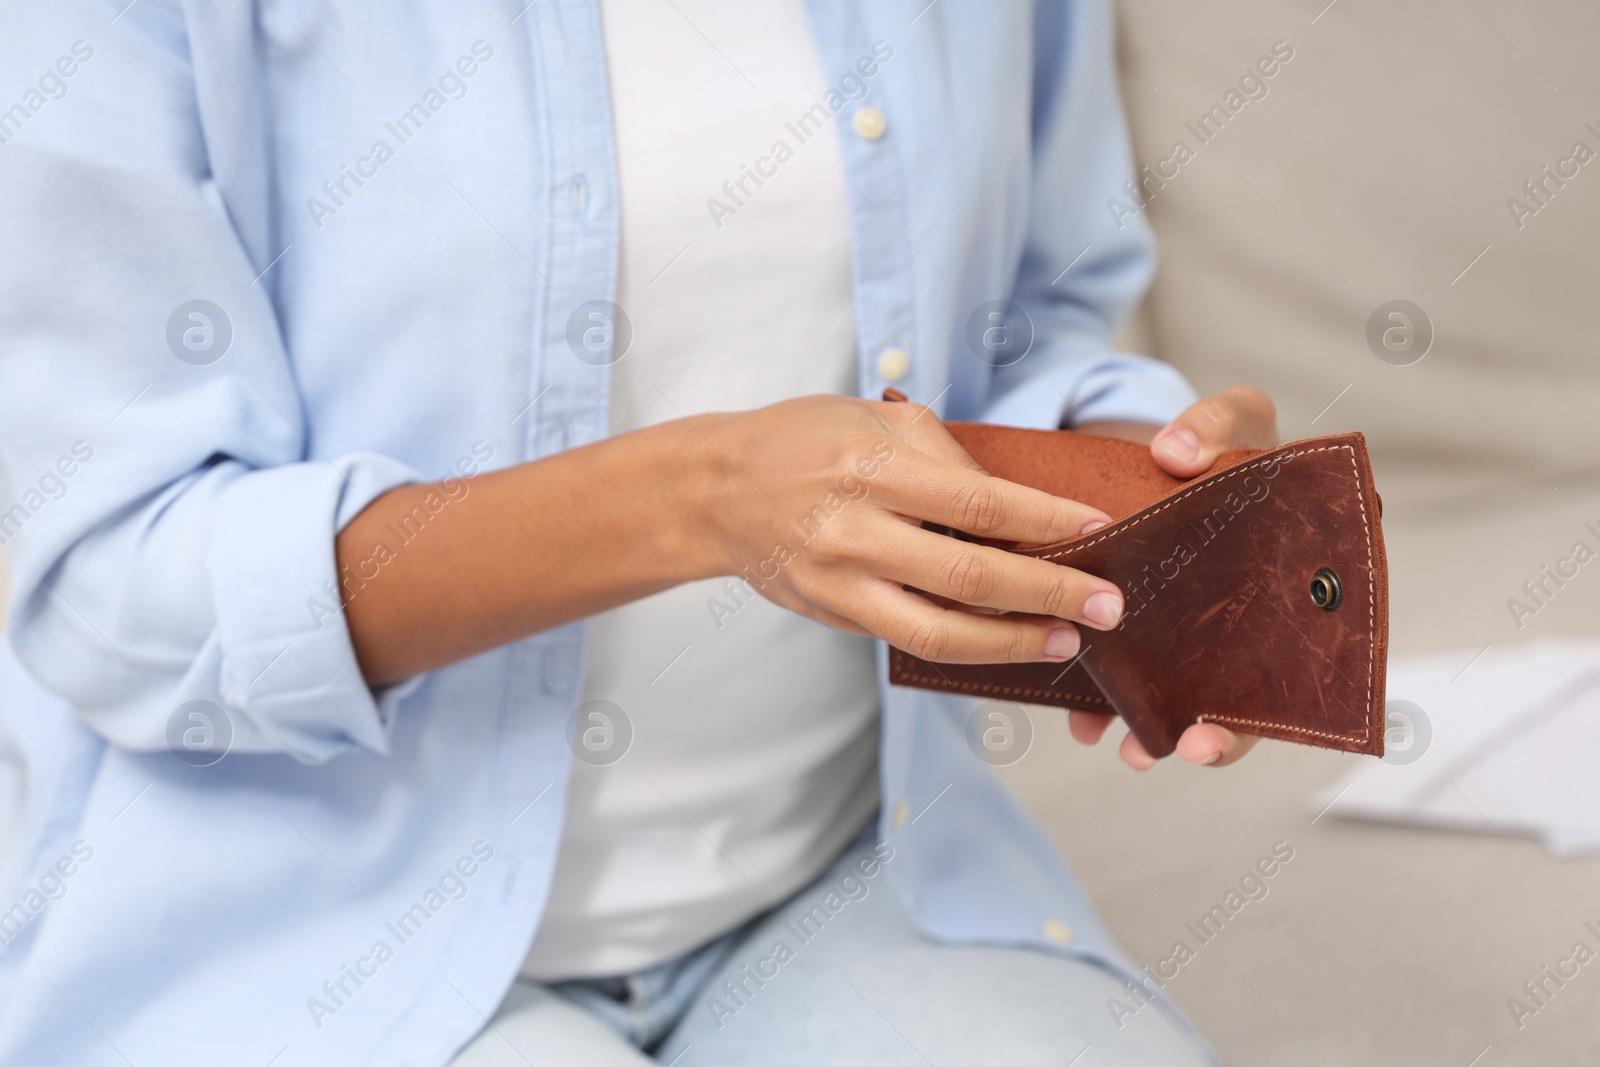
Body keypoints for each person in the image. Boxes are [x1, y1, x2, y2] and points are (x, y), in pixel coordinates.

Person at [0, 1, 1274, 1063]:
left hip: (843, 867)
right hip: (302, 932)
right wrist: (702, 495)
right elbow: (117, 580)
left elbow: (1030, 325)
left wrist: (1146, 481)